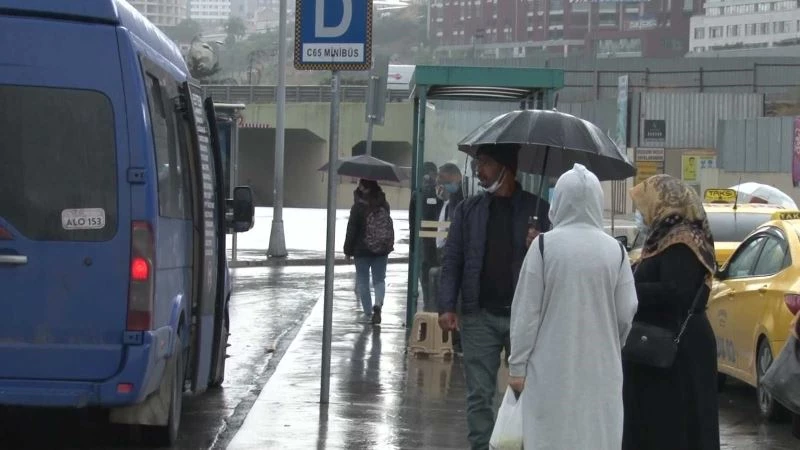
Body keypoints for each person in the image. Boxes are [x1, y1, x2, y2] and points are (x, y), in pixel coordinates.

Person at [507, 163, 638, 450]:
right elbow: (627, 311)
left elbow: (526, 313)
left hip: (550, 369)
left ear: (559, 201)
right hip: (601, 369)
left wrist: (517, 366)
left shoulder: (543, 247)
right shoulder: (615, 251)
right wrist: (610, 344)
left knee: (550, 436)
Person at [437, 143, 550, 450]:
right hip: (478, 316)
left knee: (526, 392)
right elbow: (453, 259)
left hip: (523, 318)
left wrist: (541, 245)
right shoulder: (468, 210)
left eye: (484, 163)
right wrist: (447, 305)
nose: (478, 170)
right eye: (477, 163)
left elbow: (556, 265)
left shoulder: (538, 210)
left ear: (505, 167)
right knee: (479, 395)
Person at [623, 174, 720, 450]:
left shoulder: (682, 242)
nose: (640, 214)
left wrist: (628, 291)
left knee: (675, 430)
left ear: (664, 204)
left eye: (643, 206)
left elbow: (674, 292)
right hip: (658, 351)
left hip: (677, 353)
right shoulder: (661, 240)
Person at [344, 179, 395, 325]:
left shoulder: (358, 207)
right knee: (379, 280)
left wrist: (348, 250)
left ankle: (368, 313)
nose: (358, 187)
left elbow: (351, 230)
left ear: (365, 188)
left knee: (363, 282)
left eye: (360, 185)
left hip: (362, 250)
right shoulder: (384, 204)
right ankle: (378, 304)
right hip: (381, 249)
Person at [409, 162, 442, 310]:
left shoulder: (423, 193)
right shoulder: (422, 194)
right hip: (432, 242)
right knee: (431, 274)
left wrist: (413, 245)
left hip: (428, 242)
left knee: (427, 275)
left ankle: (430, 305)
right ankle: (430, 305)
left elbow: (413, 222)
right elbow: (413, 220)